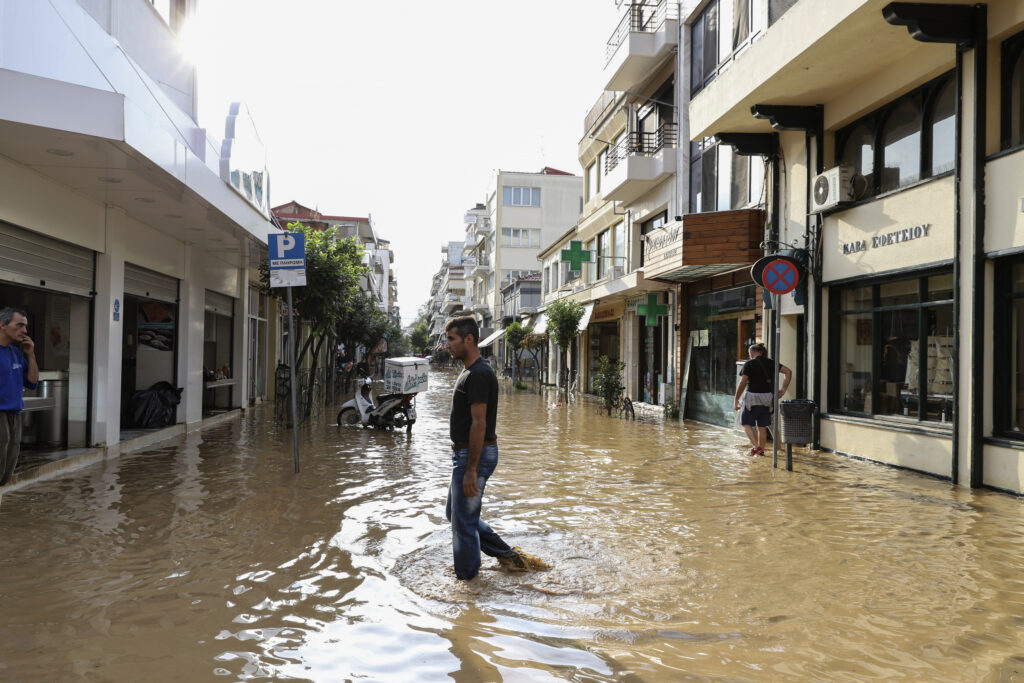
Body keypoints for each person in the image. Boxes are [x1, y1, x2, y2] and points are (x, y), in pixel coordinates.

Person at [443, 316, 549, 580]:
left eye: (451, 339)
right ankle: (508, 556)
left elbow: (479, 423)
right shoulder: (472, 371)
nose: (447, 345)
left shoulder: (478, 374)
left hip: (472, 455)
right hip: (467, 454)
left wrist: (471, 470)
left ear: (469, 339)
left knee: (463, 523)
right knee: (455, 514)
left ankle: (468, 582)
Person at [0, 308, 38, 485]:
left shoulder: (16, 352)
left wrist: (30, 355)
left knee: (6, 473)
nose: (25, 331)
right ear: (2, 325)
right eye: (20, 325)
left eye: (25, 326)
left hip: (15, 414)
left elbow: (31, 383)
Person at [733, 342, 792, 456]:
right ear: (761, 352)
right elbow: (788, 372)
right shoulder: (771, 363)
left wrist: (736, 399)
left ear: (751, 353)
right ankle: (761, 450)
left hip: (752, 396)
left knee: (745, 423)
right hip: (767, 398)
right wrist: (784, 389)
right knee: (762, 426)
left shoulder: (749, 363)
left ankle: (756, 447)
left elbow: (743, 382)